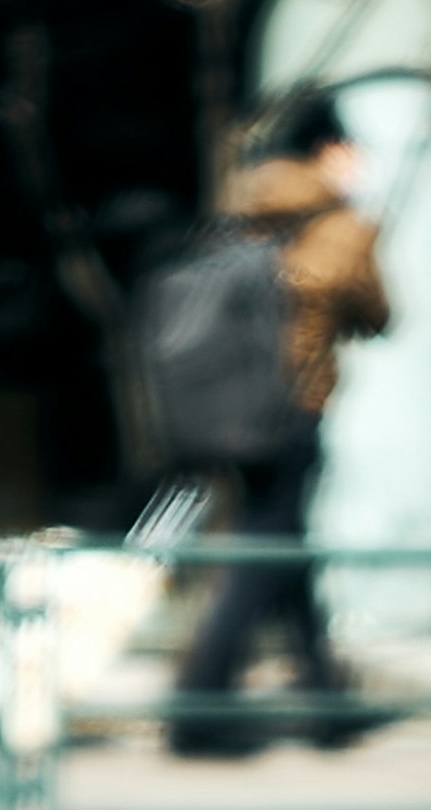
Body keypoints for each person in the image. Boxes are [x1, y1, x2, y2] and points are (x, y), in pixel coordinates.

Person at [167, 91, 393, 756]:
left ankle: (327, 704)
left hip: (227, 407)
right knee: (266, 556)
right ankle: (198, 712)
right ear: (330, 150)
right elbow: (378, 315)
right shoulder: (343, 223)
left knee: (286, 553)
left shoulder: (245, 208)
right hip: (292, 411)